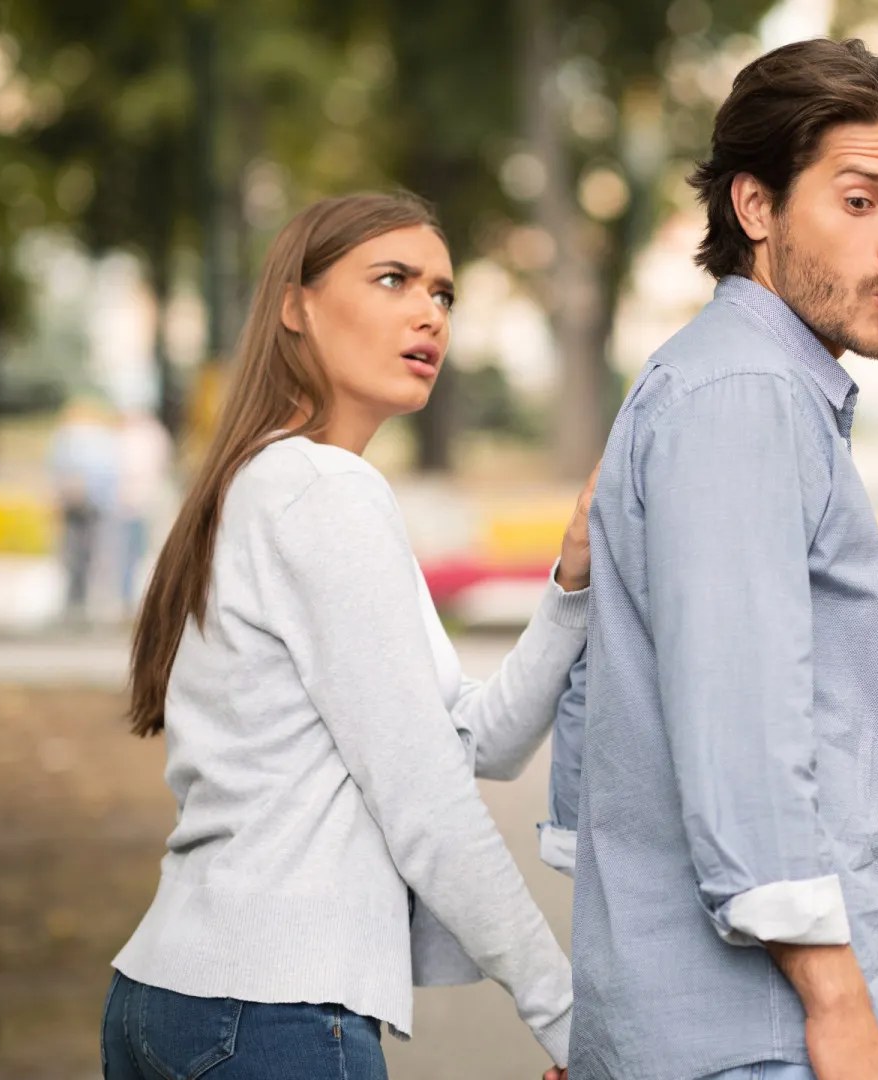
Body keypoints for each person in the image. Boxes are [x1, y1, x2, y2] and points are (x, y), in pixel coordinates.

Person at [544, 37, 878, 1080]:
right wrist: (839, 1009)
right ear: (757, 207)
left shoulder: (718, 382)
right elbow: (742, 729)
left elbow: (603, 714)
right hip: (757, 1038)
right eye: (862, 200)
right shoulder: (745, 398)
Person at [104, 193, 593, 1080]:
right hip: (269, 1018)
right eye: (393, 280)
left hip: (167, 1003)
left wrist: (573, 585)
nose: (428, 314)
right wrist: (572, 1022)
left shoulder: (274, 483)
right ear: (296, 305)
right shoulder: (324, 493)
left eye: (444, 293)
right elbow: (432, 805)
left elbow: (474, 741)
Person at [46, 397, 118, 625]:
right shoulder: (68, 439)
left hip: (92, 505)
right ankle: (74, 601)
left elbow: (108, 474)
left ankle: (84, 602)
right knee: (72, 554)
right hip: (75, 505)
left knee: (88, 554)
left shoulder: (95, 440)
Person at [111, 405, 175, 615]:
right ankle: (131, 597)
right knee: (132, 552)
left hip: (139, 501)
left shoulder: (134, 435)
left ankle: (136, 597)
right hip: (133, 502)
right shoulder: (149, 434)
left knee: (137, 551)